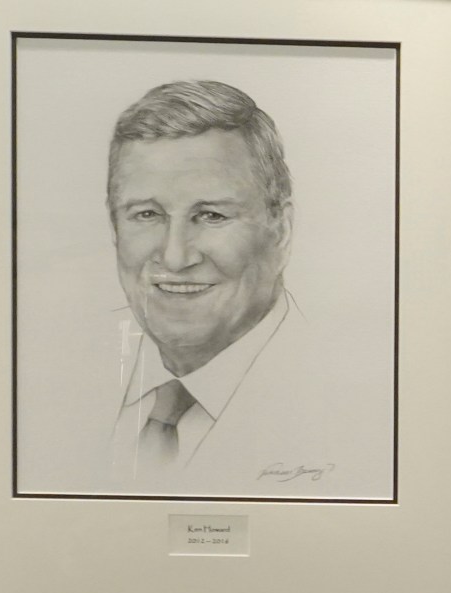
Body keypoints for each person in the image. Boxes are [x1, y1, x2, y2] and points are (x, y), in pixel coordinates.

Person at [97, 80, 388, 497]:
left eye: (212, 215)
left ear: (281, 231)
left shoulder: (366, 402)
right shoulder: (53, 376)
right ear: (114, 228)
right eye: (146, 214)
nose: (176, 257)